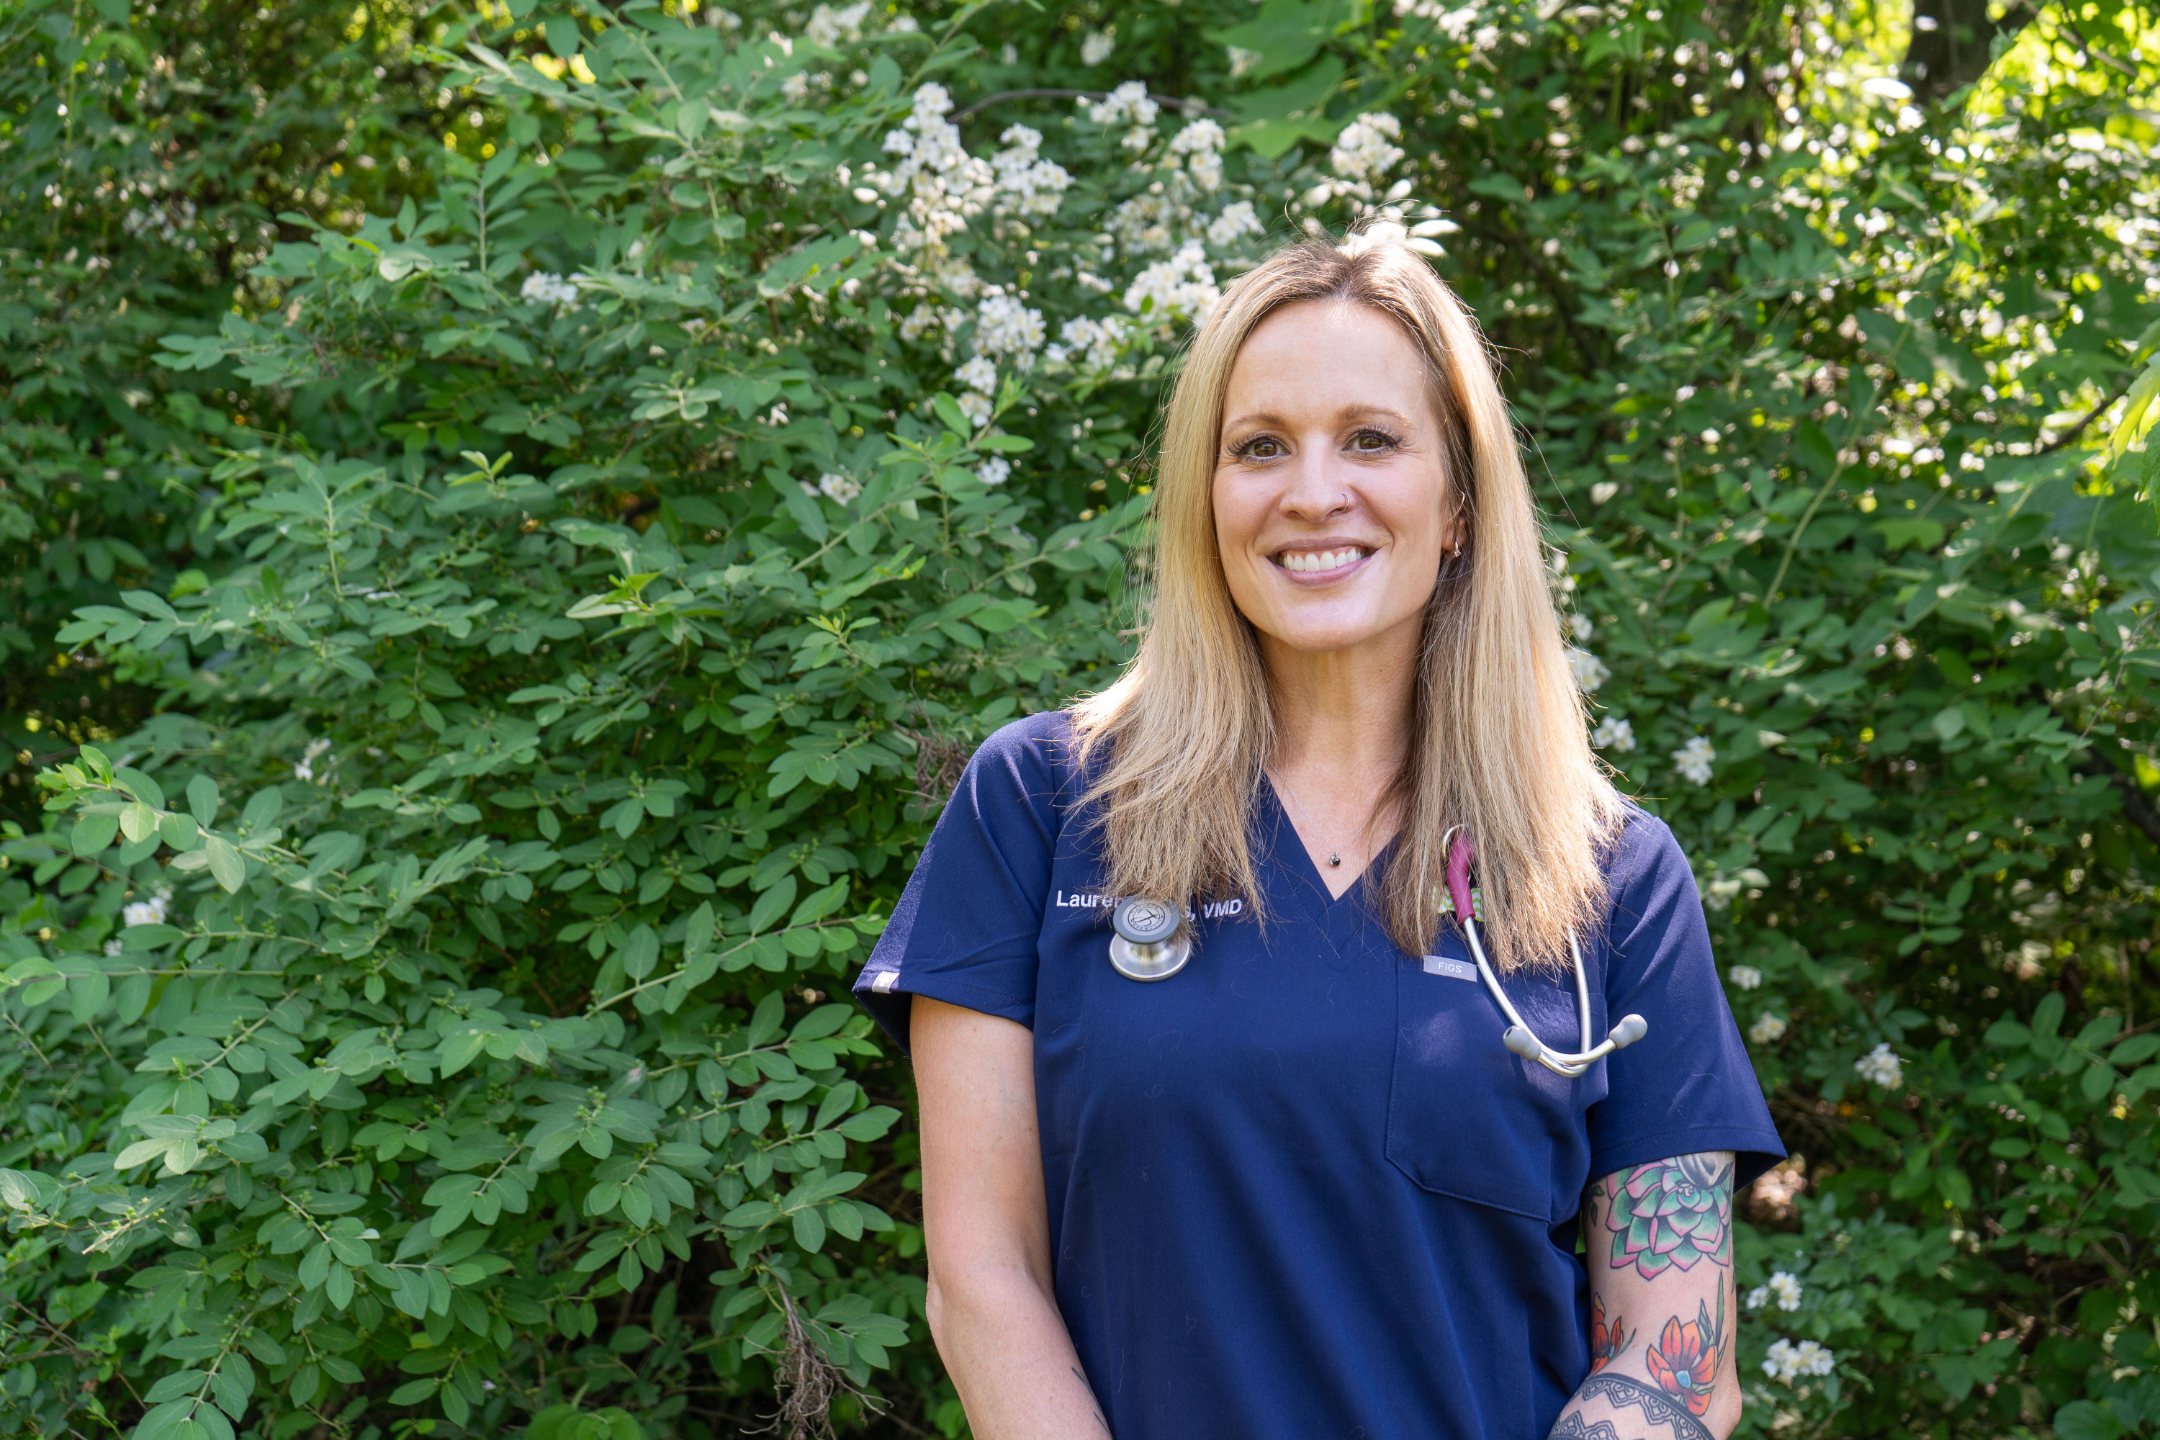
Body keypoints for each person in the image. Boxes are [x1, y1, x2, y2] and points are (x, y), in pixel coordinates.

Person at [853, 226, 1785, 1440]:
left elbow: (1675, 1360)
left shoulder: (1606, 874)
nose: (1311, 491)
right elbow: (986, 1279)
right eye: (1259, 447)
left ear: (1459, 504)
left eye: (1371, 440)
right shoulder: (1042, 806)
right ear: (1206, 500)